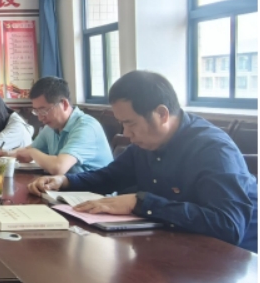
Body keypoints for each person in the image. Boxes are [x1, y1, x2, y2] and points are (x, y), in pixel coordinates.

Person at [29, 70, 258, 252]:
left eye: (131, 123)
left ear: (162, 114)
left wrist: (140, 203)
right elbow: (109, 177)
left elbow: (228, 225)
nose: (126, 133)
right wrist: (64, 181)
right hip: (174, 247)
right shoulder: (146, 144)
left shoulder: (213, 150)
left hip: (231, 262)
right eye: (122, 124)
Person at [2, 76, 112, 175]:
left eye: (43, 110)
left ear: (64, 104)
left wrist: (31, 153)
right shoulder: (51, 127)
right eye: (36, 111)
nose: (40, 118)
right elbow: (27, 151)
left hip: (96, 190)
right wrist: (6, 154)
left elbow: (58, 167)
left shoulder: (86, 127)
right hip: (68, 187)